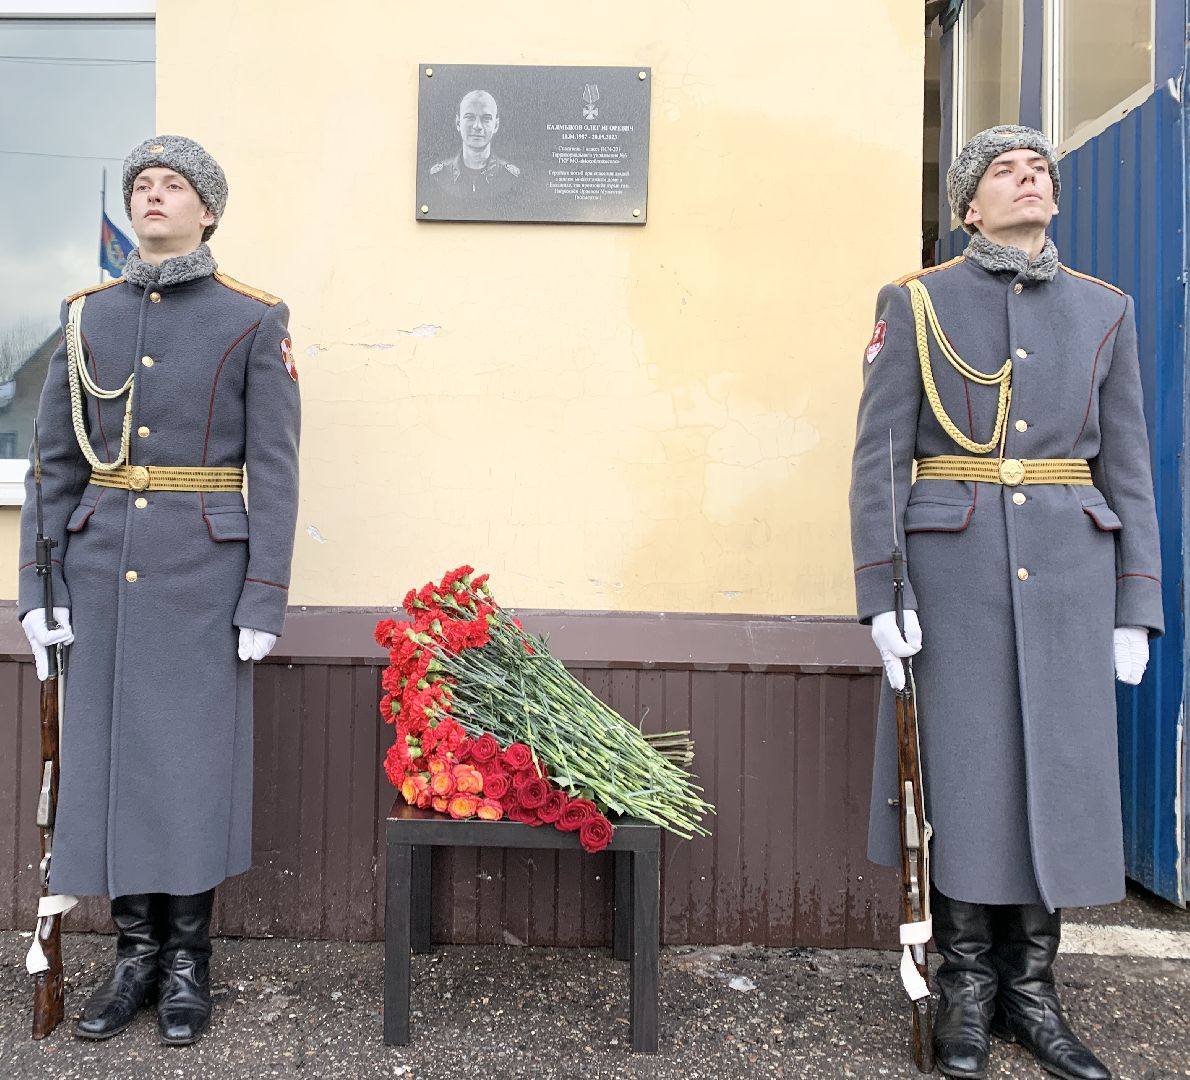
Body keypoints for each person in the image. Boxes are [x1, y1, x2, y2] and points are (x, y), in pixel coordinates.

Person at [849, 125, 1162, 1080]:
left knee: (1058, 782)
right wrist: (881, 588)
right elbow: (879, 458)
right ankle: (968, 991)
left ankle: (1035, 996)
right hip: (955, 577)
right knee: (968, 782)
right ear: (969, 206)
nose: (1028, 180)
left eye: (1041, 172)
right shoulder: (916, 303)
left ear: (1054, 202)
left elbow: (1130, 464)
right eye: (1003, 171)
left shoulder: (1105, 310)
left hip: (1071, 572)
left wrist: (1135, 603)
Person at [18, 134, 300, 1046]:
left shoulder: (251, 318)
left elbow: (277, 471)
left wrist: (262, 596)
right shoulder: (84, 316)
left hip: (200, 579)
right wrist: (39, 587)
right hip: (99, 577)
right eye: (141, 184)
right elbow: (53, 467)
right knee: (109, 768)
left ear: (207, 210)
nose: (152, 195)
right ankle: (133, 958)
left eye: (173, 185)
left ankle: (186, 966)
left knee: (186, 771)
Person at [430, 89, 521, 197]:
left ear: (496, 125)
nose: (477, 126)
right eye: (470, 117)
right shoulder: (439, 177)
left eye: (486, 118)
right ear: (458, 123)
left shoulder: (510, 178)